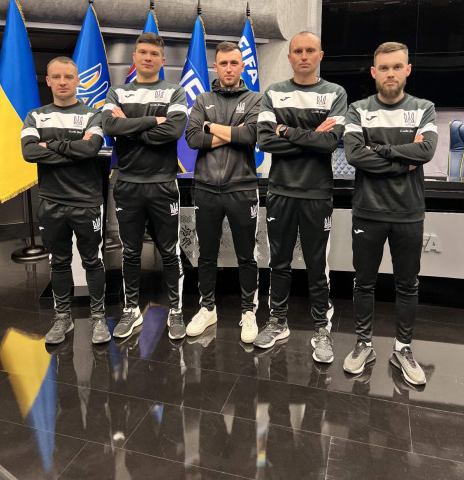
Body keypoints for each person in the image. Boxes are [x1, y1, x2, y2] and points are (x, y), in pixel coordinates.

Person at [343, 41, 438, 386]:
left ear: (407, 70)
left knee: (407, 284)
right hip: (368, 212)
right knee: (363, 282)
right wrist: (402, 161)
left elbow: (425, 151)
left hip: (408, 213)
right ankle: (363, 344)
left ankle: (403, 349)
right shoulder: (358, 110)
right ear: (374, 72)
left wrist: (379, 149)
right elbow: (354, 155)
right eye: (383, 68)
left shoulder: (424, 108)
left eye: (397, 67)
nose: (390, 73)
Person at [255, 31, 347, 361]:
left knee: (316, 265)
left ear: (320, 55)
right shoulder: (274, 93)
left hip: (316, 193)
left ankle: (322, 329)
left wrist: (285, 130)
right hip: (280, 191)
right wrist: (310, 136)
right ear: (290, 56)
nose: (304, 56)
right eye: (298, 51)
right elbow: (265, 141)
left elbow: (330, 142)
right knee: (278, 262)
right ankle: (277, 322)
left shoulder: (335, 93)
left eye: (310, 50)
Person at [102, 33, 188, 340]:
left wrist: (130, 126)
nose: (148, 57)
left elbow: (174, 131)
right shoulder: (118, 92)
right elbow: (109, 126)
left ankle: (176, 311)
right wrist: (154, 121)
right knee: (130, 252)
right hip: (127, 184)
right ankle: (131, 310)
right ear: (134, 57)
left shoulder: (175, 92)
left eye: (153, 54)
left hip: (163, 184)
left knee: (170, 252)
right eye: (142, 52)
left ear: (162, 60)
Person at [21, 57, 110, 345]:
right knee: (59, 262)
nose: (62, 82)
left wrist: (50, 145)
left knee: (92, 260)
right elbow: (29, 152)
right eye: (56, 77)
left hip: (86, 200)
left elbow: (91, 149)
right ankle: (63, 318)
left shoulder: (93, 115)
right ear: (48, 81)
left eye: (68, 77)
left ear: (77, 80)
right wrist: (74, 149)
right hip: (51, 201)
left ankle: (98, 317)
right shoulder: (35, 116)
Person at [185, 42, 262, 343]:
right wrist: (230, 132)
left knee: (247, 255)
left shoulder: (255, 99)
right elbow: (193, 138)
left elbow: (250, 135)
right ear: (215, 67)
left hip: (242, 187)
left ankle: (249, 311)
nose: (229, 68)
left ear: (242, 66)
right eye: (223, 63)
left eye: (234, 63)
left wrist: (210, 127)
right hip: (206, 188)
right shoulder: (202, 99)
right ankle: (207, 308)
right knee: (206, 254)